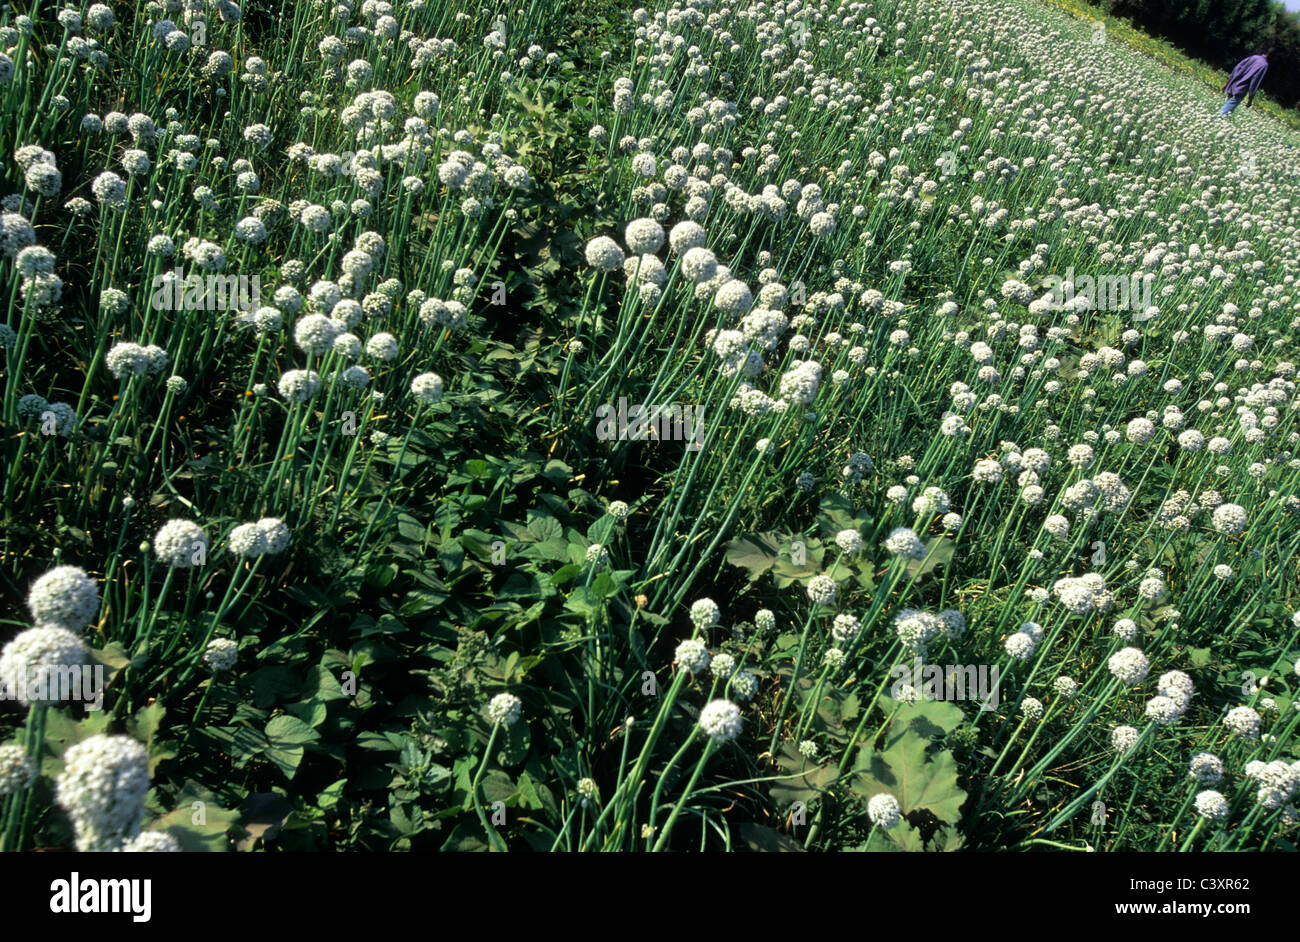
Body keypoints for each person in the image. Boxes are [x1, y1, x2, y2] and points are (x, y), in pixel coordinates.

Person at [1218, 49, 1272, 116]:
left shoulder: (1254, 57)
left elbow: (1237, 68)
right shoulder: (1264, 65)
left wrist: (1227, 83)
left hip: (1233, 85)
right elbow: (1254, 82)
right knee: (1224, 113)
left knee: (1227, 111)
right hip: (1241, 89)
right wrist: (1250, 99)